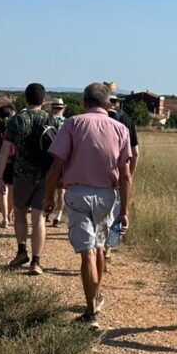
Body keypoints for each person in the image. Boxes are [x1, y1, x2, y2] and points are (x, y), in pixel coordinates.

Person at [44, 83, 131, 326]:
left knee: (87, 253)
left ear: (84, 102)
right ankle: (96, 294)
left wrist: (49, 196)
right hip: (107, 196)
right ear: (108, 104)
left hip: (78, 194)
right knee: (100, 246)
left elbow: (56, 167)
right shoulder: (121, 129)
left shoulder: (73, 124)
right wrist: (125, 210)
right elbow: (126, 175)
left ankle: (91, 311)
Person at [0, 84, 54, 275]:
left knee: (20, 213)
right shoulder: (50, 119)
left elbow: (5, 150)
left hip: (22, 174)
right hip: (44, 174)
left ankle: (22, 251)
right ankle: (36, 262)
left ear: (26, 98)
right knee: (39, 219)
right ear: (43, 100)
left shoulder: (16, 121)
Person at [104, 93, 141, 263]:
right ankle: (108, 249)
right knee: (117, 213)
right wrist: (129, 175)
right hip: (120, 173)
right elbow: (135, 153)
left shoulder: (96, 118)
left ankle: (97, 246)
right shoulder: (127, 120)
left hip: (99, 174)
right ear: (117, 102)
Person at [0, 104, 16, 227]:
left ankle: (5, 219)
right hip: (14, 162)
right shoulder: (16, 127)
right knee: (12, 191)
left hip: (0, 162)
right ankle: (9, 215)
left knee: (2, 192)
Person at [47, 98, 68, 227]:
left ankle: (46, 212)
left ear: (52, 108)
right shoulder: (68, 123)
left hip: (49, 159)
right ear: (63, 108)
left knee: (49, 188)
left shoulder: (47, 121)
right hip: (64, 159)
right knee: (61, 191)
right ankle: (58, 216)